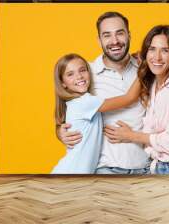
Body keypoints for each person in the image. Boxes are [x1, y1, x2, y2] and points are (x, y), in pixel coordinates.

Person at [104, 25, 169, 175]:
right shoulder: (154, 83)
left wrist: (130, 136)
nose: (157, 57)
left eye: (165, 50)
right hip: (161, 166)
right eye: (152, 49)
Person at [57, 12, 150, 174]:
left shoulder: (149, 67)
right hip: (105, 169)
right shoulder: (86, 75)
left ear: (129, 35)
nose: (114, 41)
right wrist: (60, 132)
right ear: (99, 40)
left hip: (146, 166)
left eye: (119, 33)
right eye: (107, 35)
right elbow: (67, 116)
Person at [51, 53, 141, 174]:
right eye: (70, 74)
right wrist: (143, 68)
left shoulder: (77, 103)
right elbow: (129, 98)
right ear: (63, 83)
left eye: (82, 70)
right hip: (70, 174)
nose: (79, 76)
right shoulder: (85, 102)